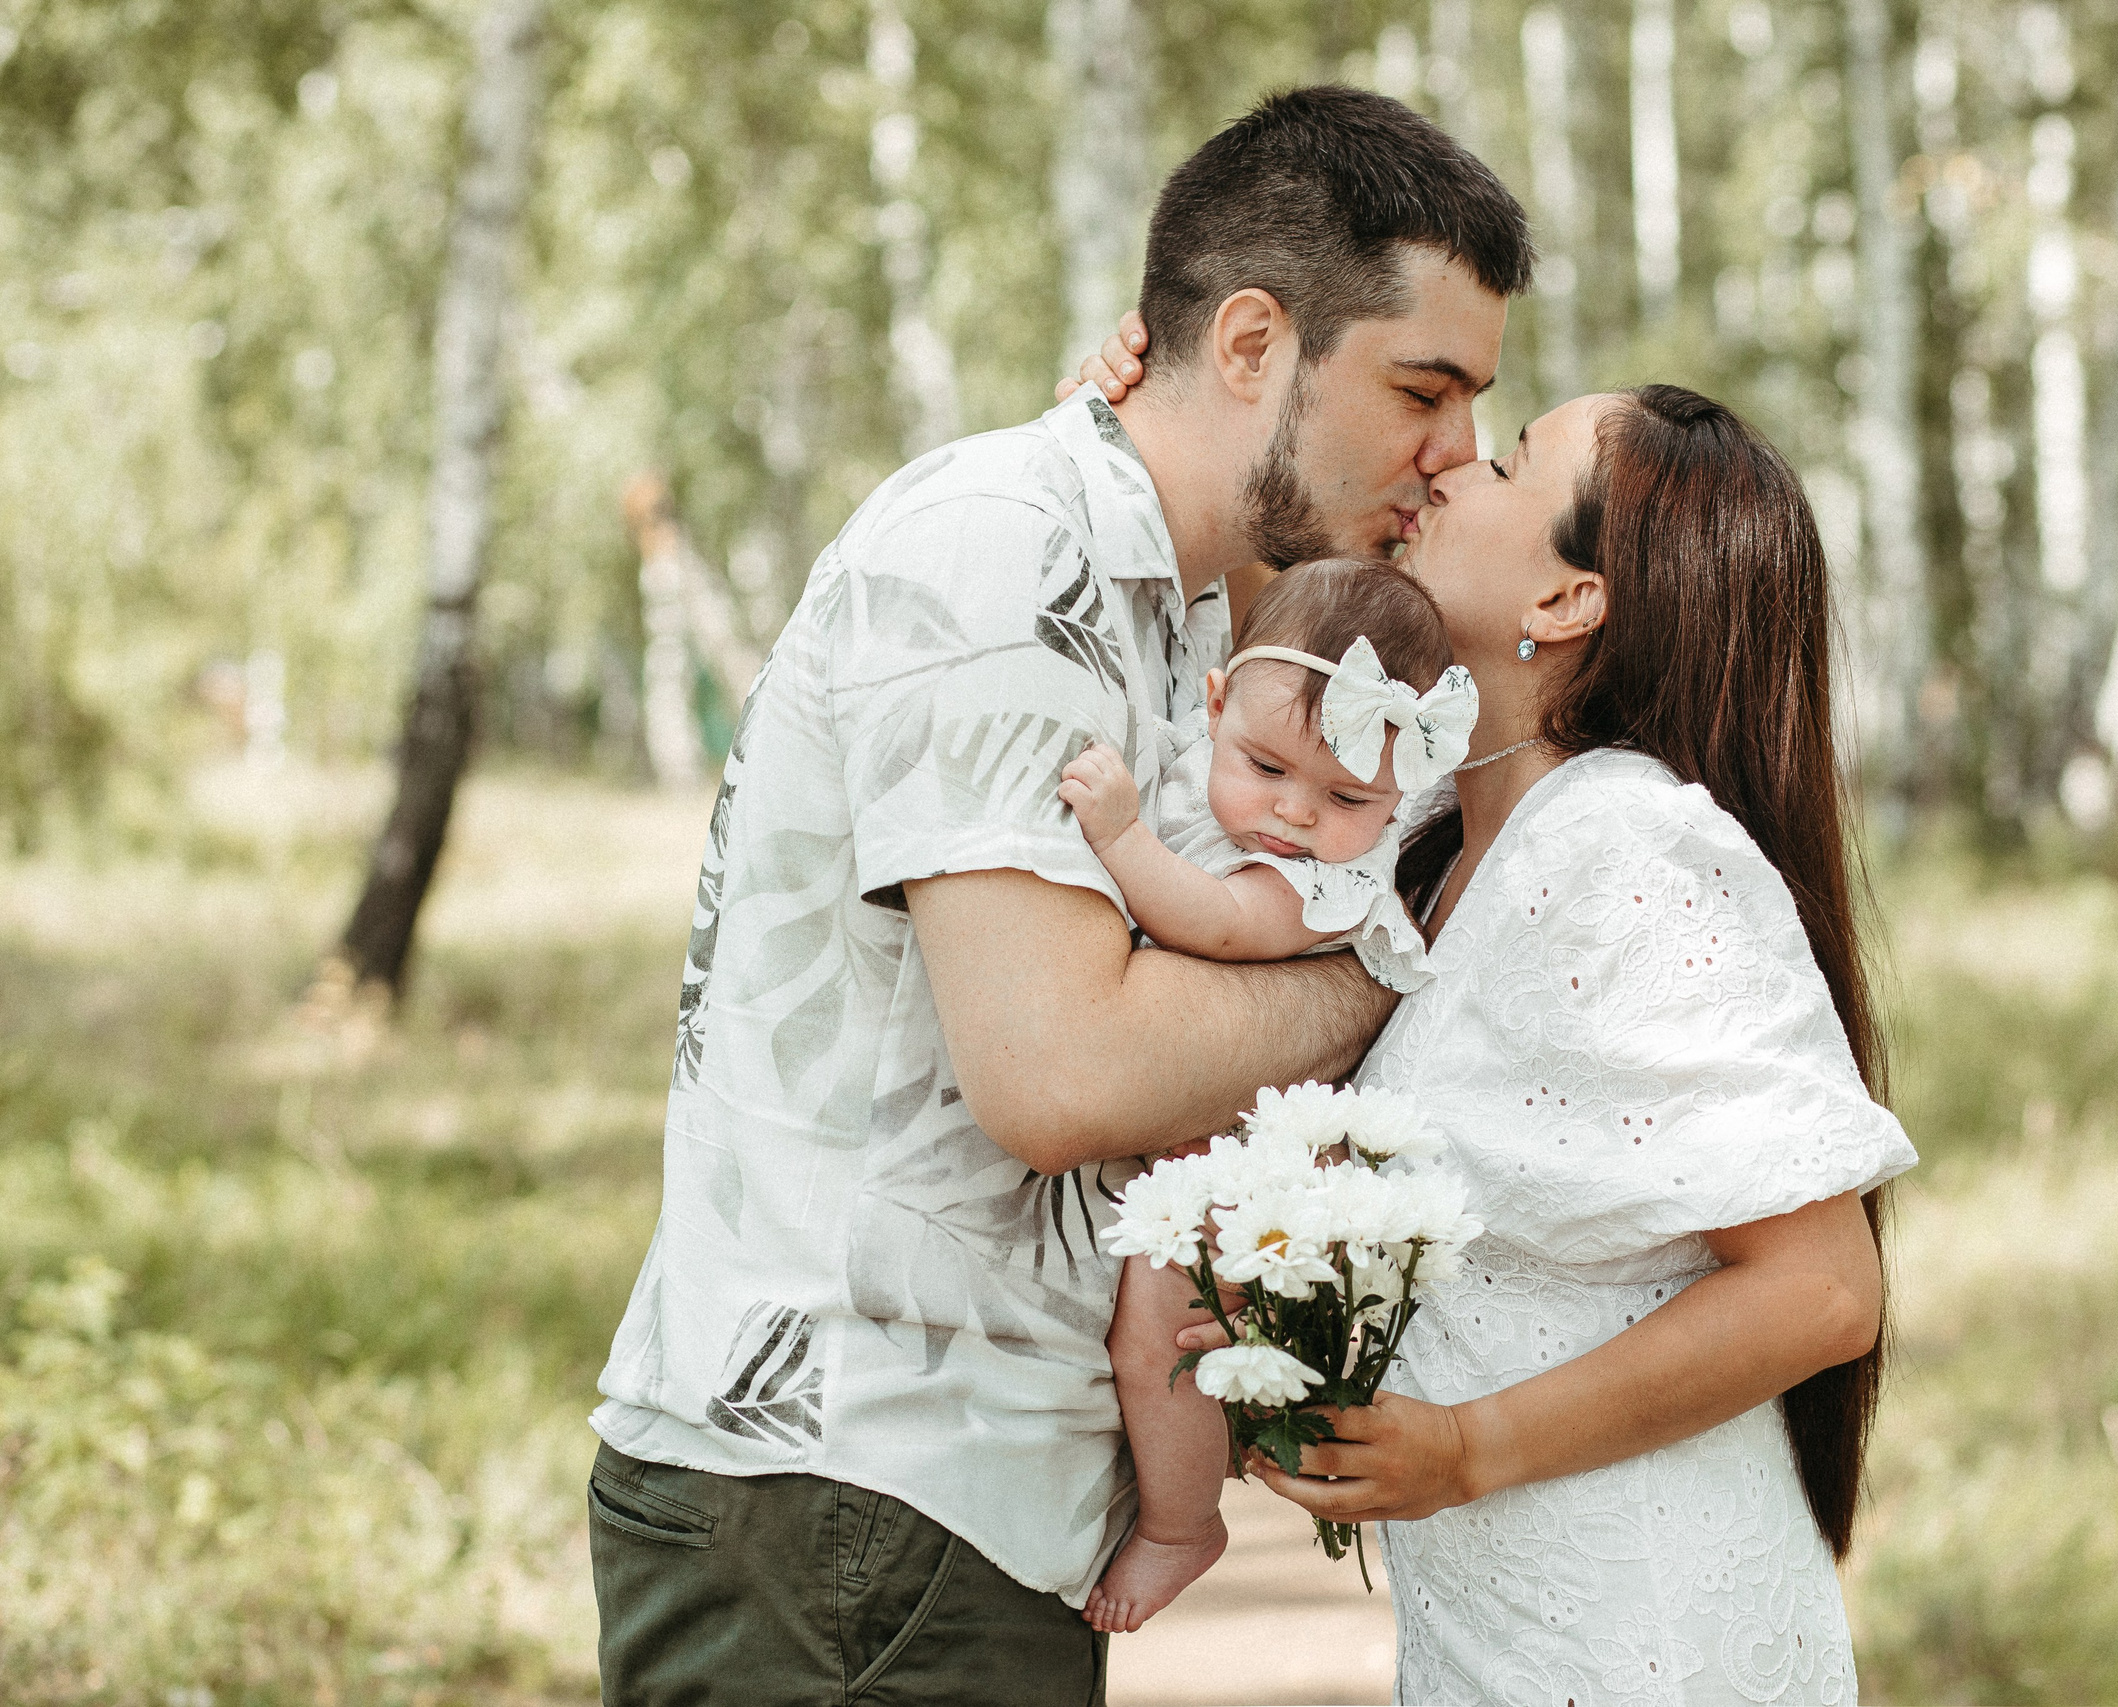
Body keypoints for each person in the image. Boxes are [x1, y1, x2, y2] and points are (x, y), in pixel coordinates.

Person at [584, 89, 1532, 1706]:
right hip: (852, 1498)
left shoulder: (1180, 606)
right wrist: (1391, 959)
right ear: (1252, 343)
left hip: (930, 1519)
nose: (1454, 451)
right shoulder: (1004, 553)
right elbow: (1063, 1072)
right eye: (1422, 390)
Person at [1080, 317, 1919, 1702]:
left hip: (1643, 1637)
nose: (1454, 462)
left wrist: (1469, 1447)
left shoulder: (1629, 851)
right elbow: (1253, 677)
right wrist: (1160, 406)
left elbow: (1823, 1289)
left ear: (1571, 599)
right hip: (1503, 1628)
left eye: (1513, 460)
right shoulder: (1418, 824)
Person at [1057, 559, 1474, 1633]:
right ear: (1213, 705)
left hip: (1253, 1150)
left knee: (1156, 1334)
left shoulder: (1328, 881)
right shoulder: (1197, 759)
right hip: (1192, 1111)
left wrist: (1119, 838)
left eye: (1348, 799)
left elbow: (1218, 923)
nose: (1293, 812)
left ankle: (1182, 1522)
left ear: (1399, 799)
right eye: (1264, 767)